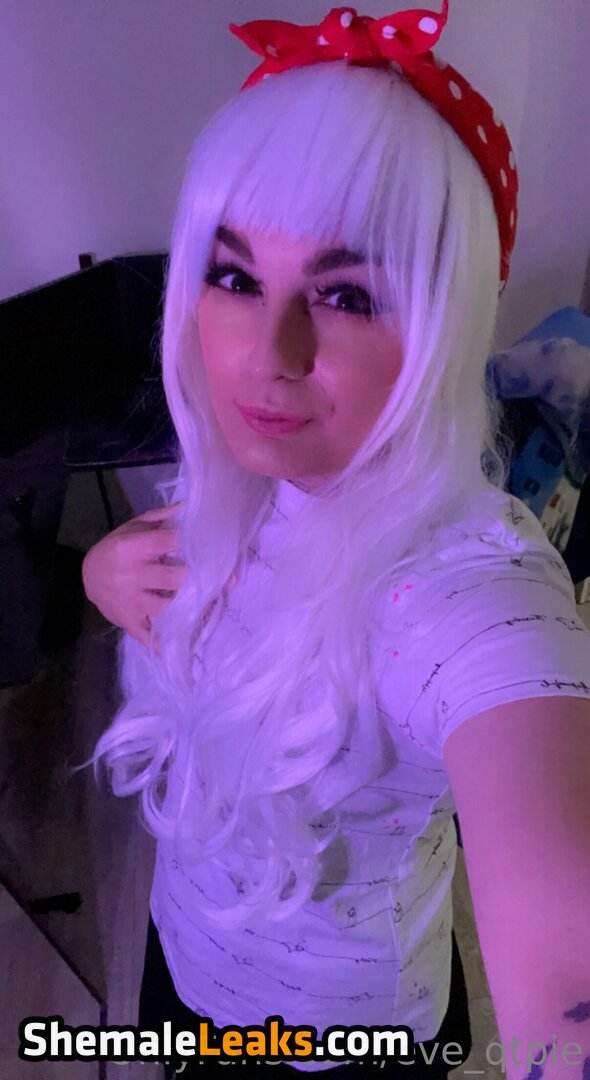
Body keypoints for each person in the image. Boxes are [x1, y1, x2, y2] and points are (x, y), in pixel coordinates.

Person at [82, 5, 590, 1078]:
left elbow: (562, 968)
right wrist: (100, 569)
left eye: (348, 295)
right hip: (188, 961)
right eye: (233, 277)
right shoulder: (248, 482)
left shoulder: (470, 592)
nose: (268, 351)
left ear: (445, 326)